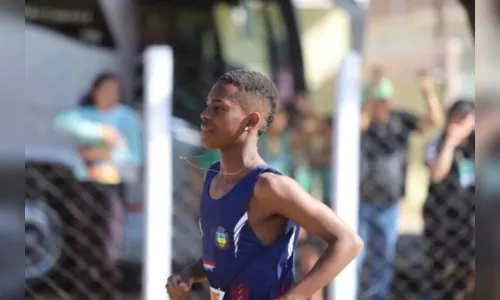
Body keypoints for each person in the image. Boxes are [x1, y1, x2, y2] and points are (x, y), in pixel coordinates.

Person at [166, 70, 363, 300]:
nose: (205, 114)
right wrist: (189, 275)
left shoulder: (268, 186)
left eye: (219, 108)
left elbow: (348, 242)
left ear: (250, 121)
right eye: (208, 105)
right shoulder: (213, 177)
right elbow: (224, 254)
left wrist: (294, 297)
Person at [53, 72, 142, 299]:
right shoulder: (84, 116)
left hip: (111, 185)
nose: (109, 95)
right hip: (85, 184)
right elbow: (63, 122)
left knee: (108, 243)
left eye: (114, 90)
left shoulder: (126, 118)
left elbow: (133, 155)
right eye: (105, 89)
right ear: (94, 92)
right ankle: (82, 290)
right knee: (82, 239)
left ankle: (105, 290)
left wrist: (104, 152)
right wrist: (104, 133)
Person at [358, 67, 443, 300]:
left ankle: (379, 297)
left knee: (384, 258)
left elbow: (434, 120)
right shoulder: (364, 123)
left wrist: (427, 92)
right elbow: (360, 122)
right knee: (354, 257)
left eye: (384, 100)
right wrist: (370, 90)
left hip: (389, 204)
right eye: (377, 100)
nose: (381, 105)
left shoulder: (400, 120)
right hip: (362, 203)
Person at [422, 100, 475, 300]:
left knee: (465, 268)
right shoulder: (437, 142)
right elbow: (436, 174)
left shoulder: (477, 144)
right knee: (438, 268)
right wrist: (450, 144)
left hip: (467, 219)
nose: (459, 123)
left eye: (465, 119)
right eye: (456, 118)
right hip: (439, 218)